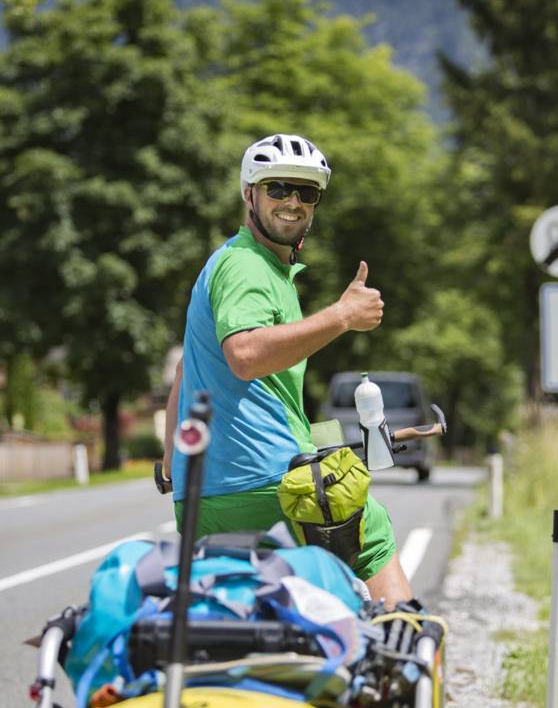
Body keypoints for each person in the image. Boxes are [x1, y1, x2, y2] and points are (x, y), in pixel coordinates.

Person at [161, 133, 413, 610]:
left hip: (205, 496)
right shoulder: (247, 267)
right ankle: (408, 661)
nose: (293, 202)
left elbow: (183, 373)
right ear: (248, 194)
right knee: (374, 534)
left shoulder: (230, 266)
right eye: (277, 188)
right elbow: (246, 355)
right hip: (274, 486)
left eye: (307, 193)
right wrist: (341, 316)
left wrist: (171, 464)